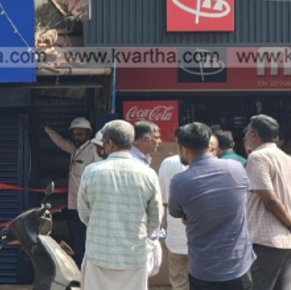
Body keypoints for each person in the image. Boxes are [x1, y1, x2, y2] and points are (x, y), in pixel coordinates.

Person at [170, 123, 255, 290]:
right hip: (238, 266)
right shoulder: (236, 168)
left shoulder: (180, 181)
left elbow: (176, 212)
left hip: (204, 269)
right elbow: (243, 198)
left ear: (184, 149)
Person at [78, 120, 162, 290]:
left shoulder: (91, 172)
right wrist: (136, 234)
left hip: (98, 254)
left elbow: (84, 213)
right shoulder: (148, 174)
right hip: (133, 257)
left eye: (103, 143)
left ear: (109, 143)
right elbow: (155, 218)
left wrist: (100, 228)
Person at [243, 115, 291, 290]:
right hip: (287, 243)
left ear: (255, 135)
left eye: (247, 132)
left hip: (265, 241)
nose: (246, 137)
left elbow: (270, 199)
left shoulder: (257, 157)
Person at [42, 117, 103, 266]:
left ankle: (87, 271)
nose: (76, 137)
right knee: (78, 241)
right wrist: (45, 128)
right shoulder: (76, 150)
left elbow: (100, 175)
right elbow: (61, 142)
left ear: (88, 134)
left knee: (87, 242)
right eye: (74, 134)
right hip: (75, 206)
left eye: (80, 134)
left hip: (88, 208)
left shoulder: (93, 150)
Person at [158, 151, 190, 290]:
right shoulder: (212, 164)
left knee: (179, 283)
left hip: (177, 237)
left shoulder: (168, 163)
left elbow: (163, 200)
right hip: (205, 241)